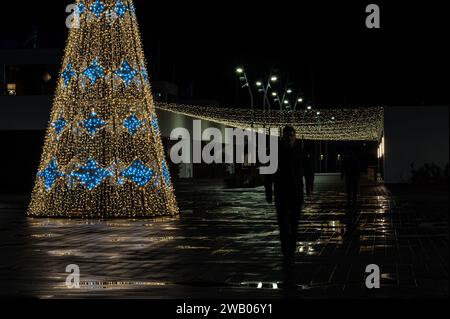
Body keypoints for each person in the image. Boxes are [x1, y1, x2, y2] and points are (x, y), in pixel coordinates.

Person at [265, 126, 307, 266]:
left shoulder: (299, 151)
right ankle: (286, 251)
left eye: (292, 135)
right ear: (283, 137)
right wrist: (268, 191)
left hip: (296, 193)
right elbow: (268, 172)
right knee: (283, 224)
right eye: (287, 135)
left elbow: (308, 168)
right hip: (281, 193)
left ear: (295, 136)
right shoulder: (275, 152)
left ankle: (291, 250)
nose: (289, 138)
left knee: (294, 224)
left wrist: (310, 186)